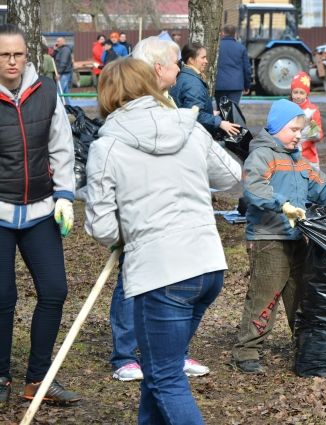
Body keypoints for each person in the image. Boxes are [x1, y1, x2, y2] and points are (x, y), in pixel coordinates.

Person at [84, 57, 242, 424]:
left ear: (107, 95)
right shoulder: (189, 128)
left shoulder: (106, 147)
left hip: (162, 275)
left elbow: (102, 228)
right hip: (207, 267)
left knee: (166, 376)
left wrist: (132, 226)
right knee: (159, 370)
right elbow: (233, 176)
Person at [232, 99, 326, 374]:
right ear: (276, 128)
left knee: (300, 294)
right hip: (269, 238)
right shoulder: (262, 156)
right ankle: (247, 350)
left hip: (298, 237)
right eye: (294, 130)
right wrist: (281, 203)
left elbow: (324, 188)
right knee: (265, 295)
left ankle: (302, 343)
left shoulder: (300, 161)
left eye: (301, 130)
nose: (299, 135)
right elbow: (254, 189)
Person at [102, 36, 211, 382]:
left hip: (172, 209)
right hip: (139, 209)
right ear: (157, 67)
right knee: (131, 278)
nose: (181, 67)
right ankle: (124, 355)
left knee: (172, 281)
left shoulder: (168, 100)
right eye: (175, 62)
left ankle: (169, 353)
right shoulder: (132, 102)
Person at [0, 24, 79, 404]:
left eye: (17, 54)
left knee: (54, 291)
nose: (12, 61)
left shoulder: (46, 90)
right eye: (4, 55)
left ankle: (38, 379)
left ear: (27, 55)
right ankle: (0, 379)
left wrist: (65, 195)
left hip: (41, 210)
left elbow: (62, 145)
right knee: (2, 296)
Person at [170, 43, 240, 138]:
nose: (206, 61)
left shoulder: (185, 76)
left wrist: (210, 112)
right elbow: (194, 114)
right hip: (194, 136)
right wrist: (220, 123)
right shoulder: (192, 83)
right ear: (191, 60)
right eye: (203, 58)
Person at [290, 71, 323, 171]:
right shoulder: (287, 108)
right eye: (295, 92)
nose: (298, 96)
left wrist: (314, 132)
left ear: (307, 94)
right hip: (290, 155)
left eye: (301, 93)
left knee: (313, 181)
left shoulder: (312, 110)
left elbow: (319, 133)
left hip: (308, 155)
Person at [214, 25, 252, 106]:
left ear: (222, 33)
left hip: (219, 85)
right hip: (236, 86)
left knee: (221, 110)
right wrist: (247, 86)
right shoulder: (241, 48)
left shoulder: (216, 48)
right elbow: (247, 69)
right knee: (233, 111)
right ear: (235, 34)